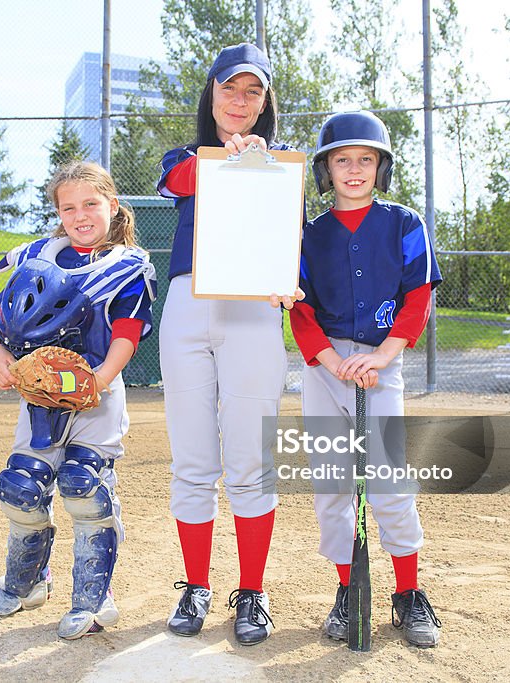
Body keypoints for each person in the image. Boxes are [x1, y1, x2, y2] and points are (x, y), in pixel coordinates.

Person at [156, 42, 302, 646]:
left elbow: (288, 244)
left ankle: (251, 591)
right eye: (229, 88)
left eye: (253, 91)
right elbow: (178, 179)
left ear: (265, 102)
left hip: (252, 312)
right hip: (189, 305)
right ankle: (195, 585)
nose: (239, 100)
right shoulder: (185, 157)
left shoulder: (280, 168)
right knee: (193, 460)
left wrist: (261, 166)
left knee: (249, 459)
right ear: (210, 93)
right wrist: (231, 159)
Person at [288, 110, 444, 648]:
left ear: (381, 167)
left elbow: (417, 296)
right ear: (325, 170)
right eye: (342, 160)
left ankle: (407, 592)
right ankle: (348, 590)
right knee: (333, 482)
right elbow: (300, 309)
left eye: (366, 159)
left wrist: (384, 355)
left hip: (383, 362)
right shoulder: (308, 235)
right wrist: (332, 362)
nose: (354, 169)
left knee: (388, 481)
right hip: (325, 365)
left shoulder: (404, 223)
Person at [0, 161, 156, 640]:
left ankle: (93, 598)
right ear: (58, 212)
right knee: (21, 484)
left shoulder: (127, 265)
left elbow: (126, 334)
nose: (80, 215)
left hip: (96, 396)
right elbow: (2, 315)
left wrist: (97, 380)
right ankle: (27, 581)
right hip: (38, 396)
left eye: (90, 204)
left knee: (84, 483)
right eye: (68, 207)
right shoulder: (38, 256)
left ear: (112, 205)